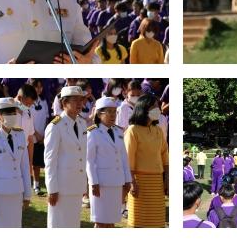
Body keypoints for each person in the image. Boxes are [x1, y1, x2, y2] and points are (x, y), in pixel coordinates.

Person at [0, 97, 32, 228]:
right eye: (9, 113)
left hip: (16, 192)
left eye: (14, 113)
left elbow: (25, 167)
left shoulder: (20, 135)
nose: (13, 116)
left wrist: (27, 194)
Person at [44, 85, 89, 227]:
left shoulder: (82, 123)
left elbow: (82, 154)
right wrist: (52, 188)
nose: (79, 104)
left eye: (81, 100)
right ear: (64, 103)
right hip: (61, 187)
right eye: (75, 100)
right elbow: (50, 160)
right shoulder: (55, 126)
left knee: (73, 225)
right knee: (58, 225)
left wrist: (84, 185)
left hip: (76, 185)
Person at [87, 96, 132, 227]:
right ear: (99, 114)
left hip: (117, 183)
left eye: (115, 112)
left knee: (111, 221)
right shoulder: (92, 133)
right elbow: (89, 161)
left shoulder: (118, 131)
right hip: (101, 184)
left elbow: (124, 157)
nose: (113, 115)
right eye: (109, 112)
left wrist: (127, 179)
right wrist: (93, 182)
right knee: (100, 222)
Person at [125, 94, 167, 227]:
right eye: (154, 106)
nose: (158, 109)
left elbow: (165, 157)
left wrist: (167, 179)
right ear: (144, 109)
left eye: (157, 106)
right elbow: (128, 159)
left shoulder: (158, 130)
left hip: (157, 182)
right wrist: (132, 183)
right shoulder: (133, 130)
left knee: (156, 222)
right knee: (139, 221)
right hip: (139, 181)